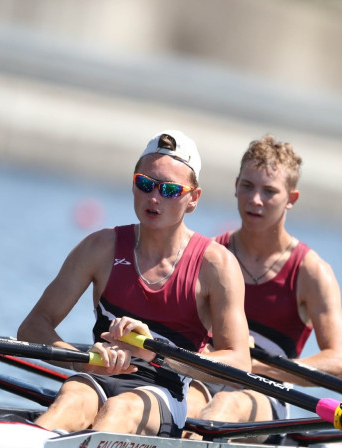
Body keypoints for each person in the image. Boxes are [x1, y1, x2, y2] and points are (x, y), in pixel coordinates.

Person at [18, 130, 251, 437]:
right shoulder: (100, 247)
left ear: (192, 199)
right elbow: (33, 326)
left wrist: (156, 354)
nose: (154, 198)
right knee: (70, 401)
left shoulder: (215, 265)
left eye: (169, 190)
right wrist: (84, 362)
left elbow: (239, 362)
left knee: (119, 411)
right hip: (99, 375)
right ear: (133, 185)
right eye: (145, 184)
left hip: (164, 390)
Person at [185, 134, 342, 440]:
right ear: (236, 185)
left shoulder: (311, 272)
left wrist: (256, 366)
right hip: (207, 376)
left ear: (291, 199)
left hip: (264, 395)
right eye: (248, 186)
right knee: (187, 409)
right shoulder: (212, 255)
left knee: (227, 405)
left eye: (270, 192)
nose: (255, 200)